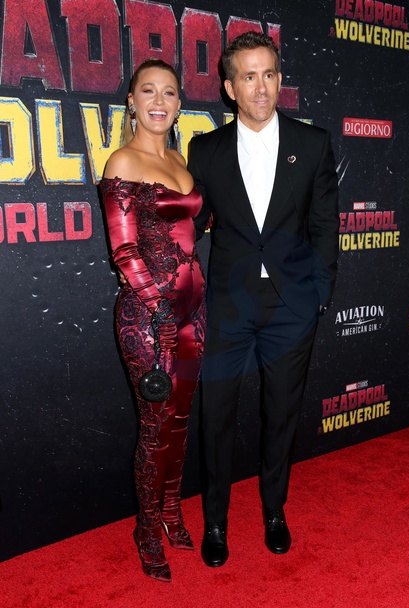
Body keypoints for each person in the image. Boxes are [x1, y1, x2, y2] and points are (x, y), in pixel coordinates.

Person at [188, 31, 339, 567]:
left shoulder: (313, 143)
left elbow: (325, 227)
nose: (261, 87)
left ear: (279, 79)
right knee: (216, 416)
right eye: (248, 76)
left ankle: (274, 511)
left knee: (281, 415)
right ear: (230, 88)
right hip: (228, 306)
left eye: (269, 74)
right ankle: (215, 521)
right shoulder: (205, 150)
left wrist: (318, 295)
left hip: (290, 307)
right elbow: (194, 225)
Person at [100, 58, 206, 582]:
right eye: (148, 91)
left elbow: (186, 233)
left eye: (169, 92)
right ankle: (146, 531)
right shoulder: (123, 160)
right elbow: (123, 251)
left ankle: (170, 510)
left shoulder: (181, 161)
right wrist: (159, 308)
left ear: (180, 105)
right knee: (154, 424)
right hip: (147, 318)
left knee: (180, 421)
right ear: (132, 102)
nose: (159, 101)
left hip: (193, 311)